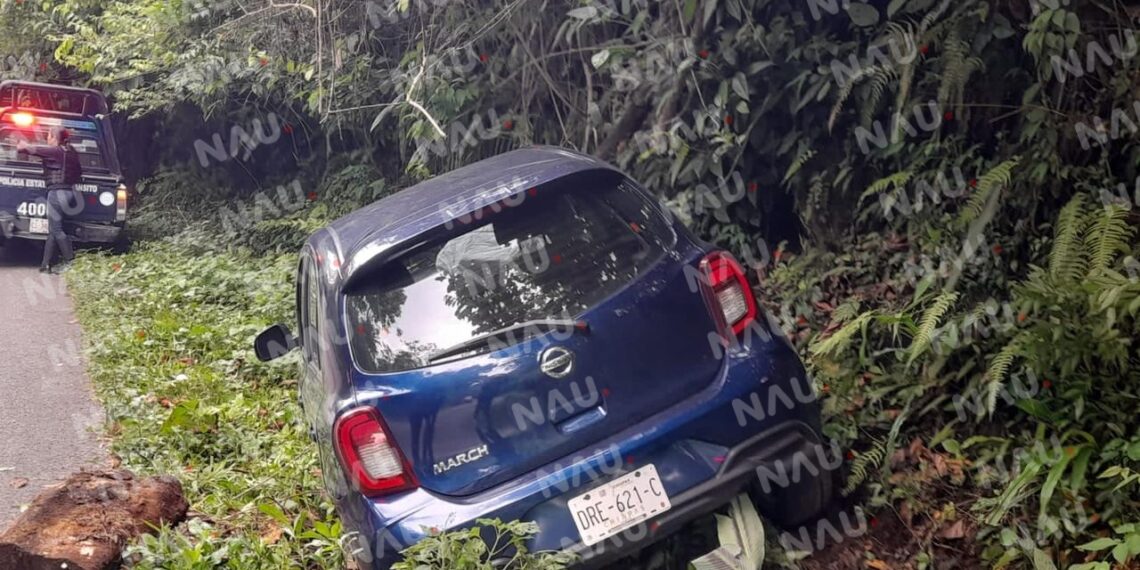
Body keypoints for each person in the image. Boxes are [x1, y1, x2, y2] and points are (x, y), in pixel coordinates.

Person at [17, 127, 83, 273]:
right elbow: (79, 172)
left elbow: (30, 149)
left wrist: (21, 144)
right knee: (53, 230)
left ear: (54, 138)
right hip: (69, 192)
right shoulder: (71, 152)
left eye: (48, 136)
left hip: (57, 193)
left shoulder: (56, 151)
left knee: (56, 229)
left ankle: (70, 263)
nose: (47, 139)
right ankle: (45, 264)